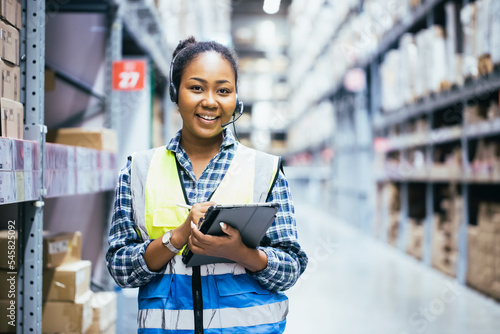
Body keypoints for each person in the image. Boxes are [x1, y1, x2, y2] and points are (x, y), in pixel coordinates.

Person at [106, 36, 308, 334]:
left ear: (235, 98)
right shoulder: (138, 170)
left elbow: (290, 268)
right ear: (176, 93)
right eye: (196, 88)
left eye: (223, 90)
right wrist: (176, 237)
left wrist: (241, 253)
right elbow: (121, 269)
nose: (210, 101)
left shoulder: (264, 169)